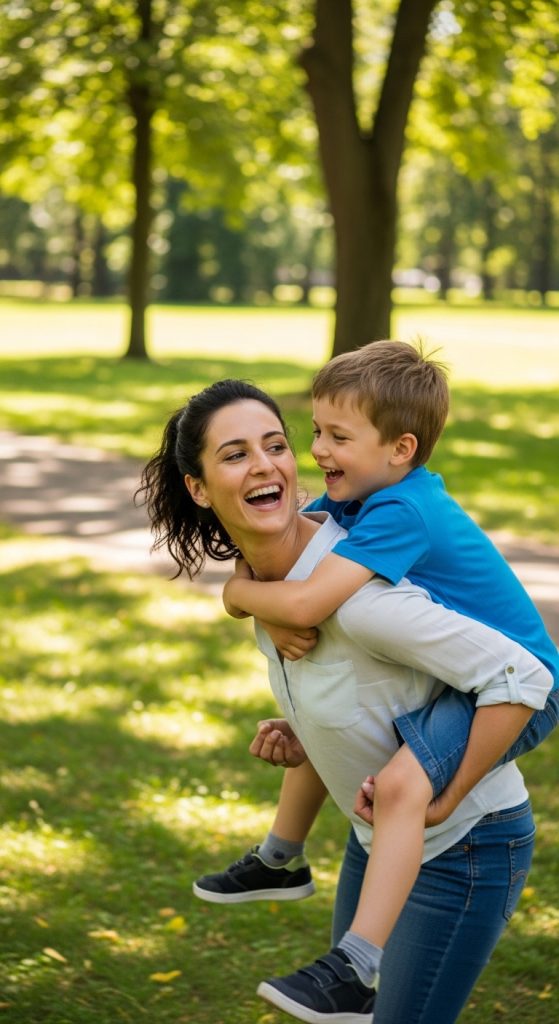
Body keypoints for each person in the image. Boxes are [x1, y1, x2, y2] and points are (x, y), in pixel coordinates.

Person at [137, 378, 553, 1024]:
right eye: (236, 454)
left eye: (274, 445)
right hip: (377, 837)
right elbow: (377, 689)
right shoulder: (277, 583)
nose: (265, 463)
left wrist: (443, 797)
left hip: (465, 846)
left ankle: (346, 947)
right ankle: (284, 864)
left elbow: (522, 675)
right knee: (344, 1014)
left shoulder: (358, 600)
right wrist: (314, 729)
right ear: (198, 487)